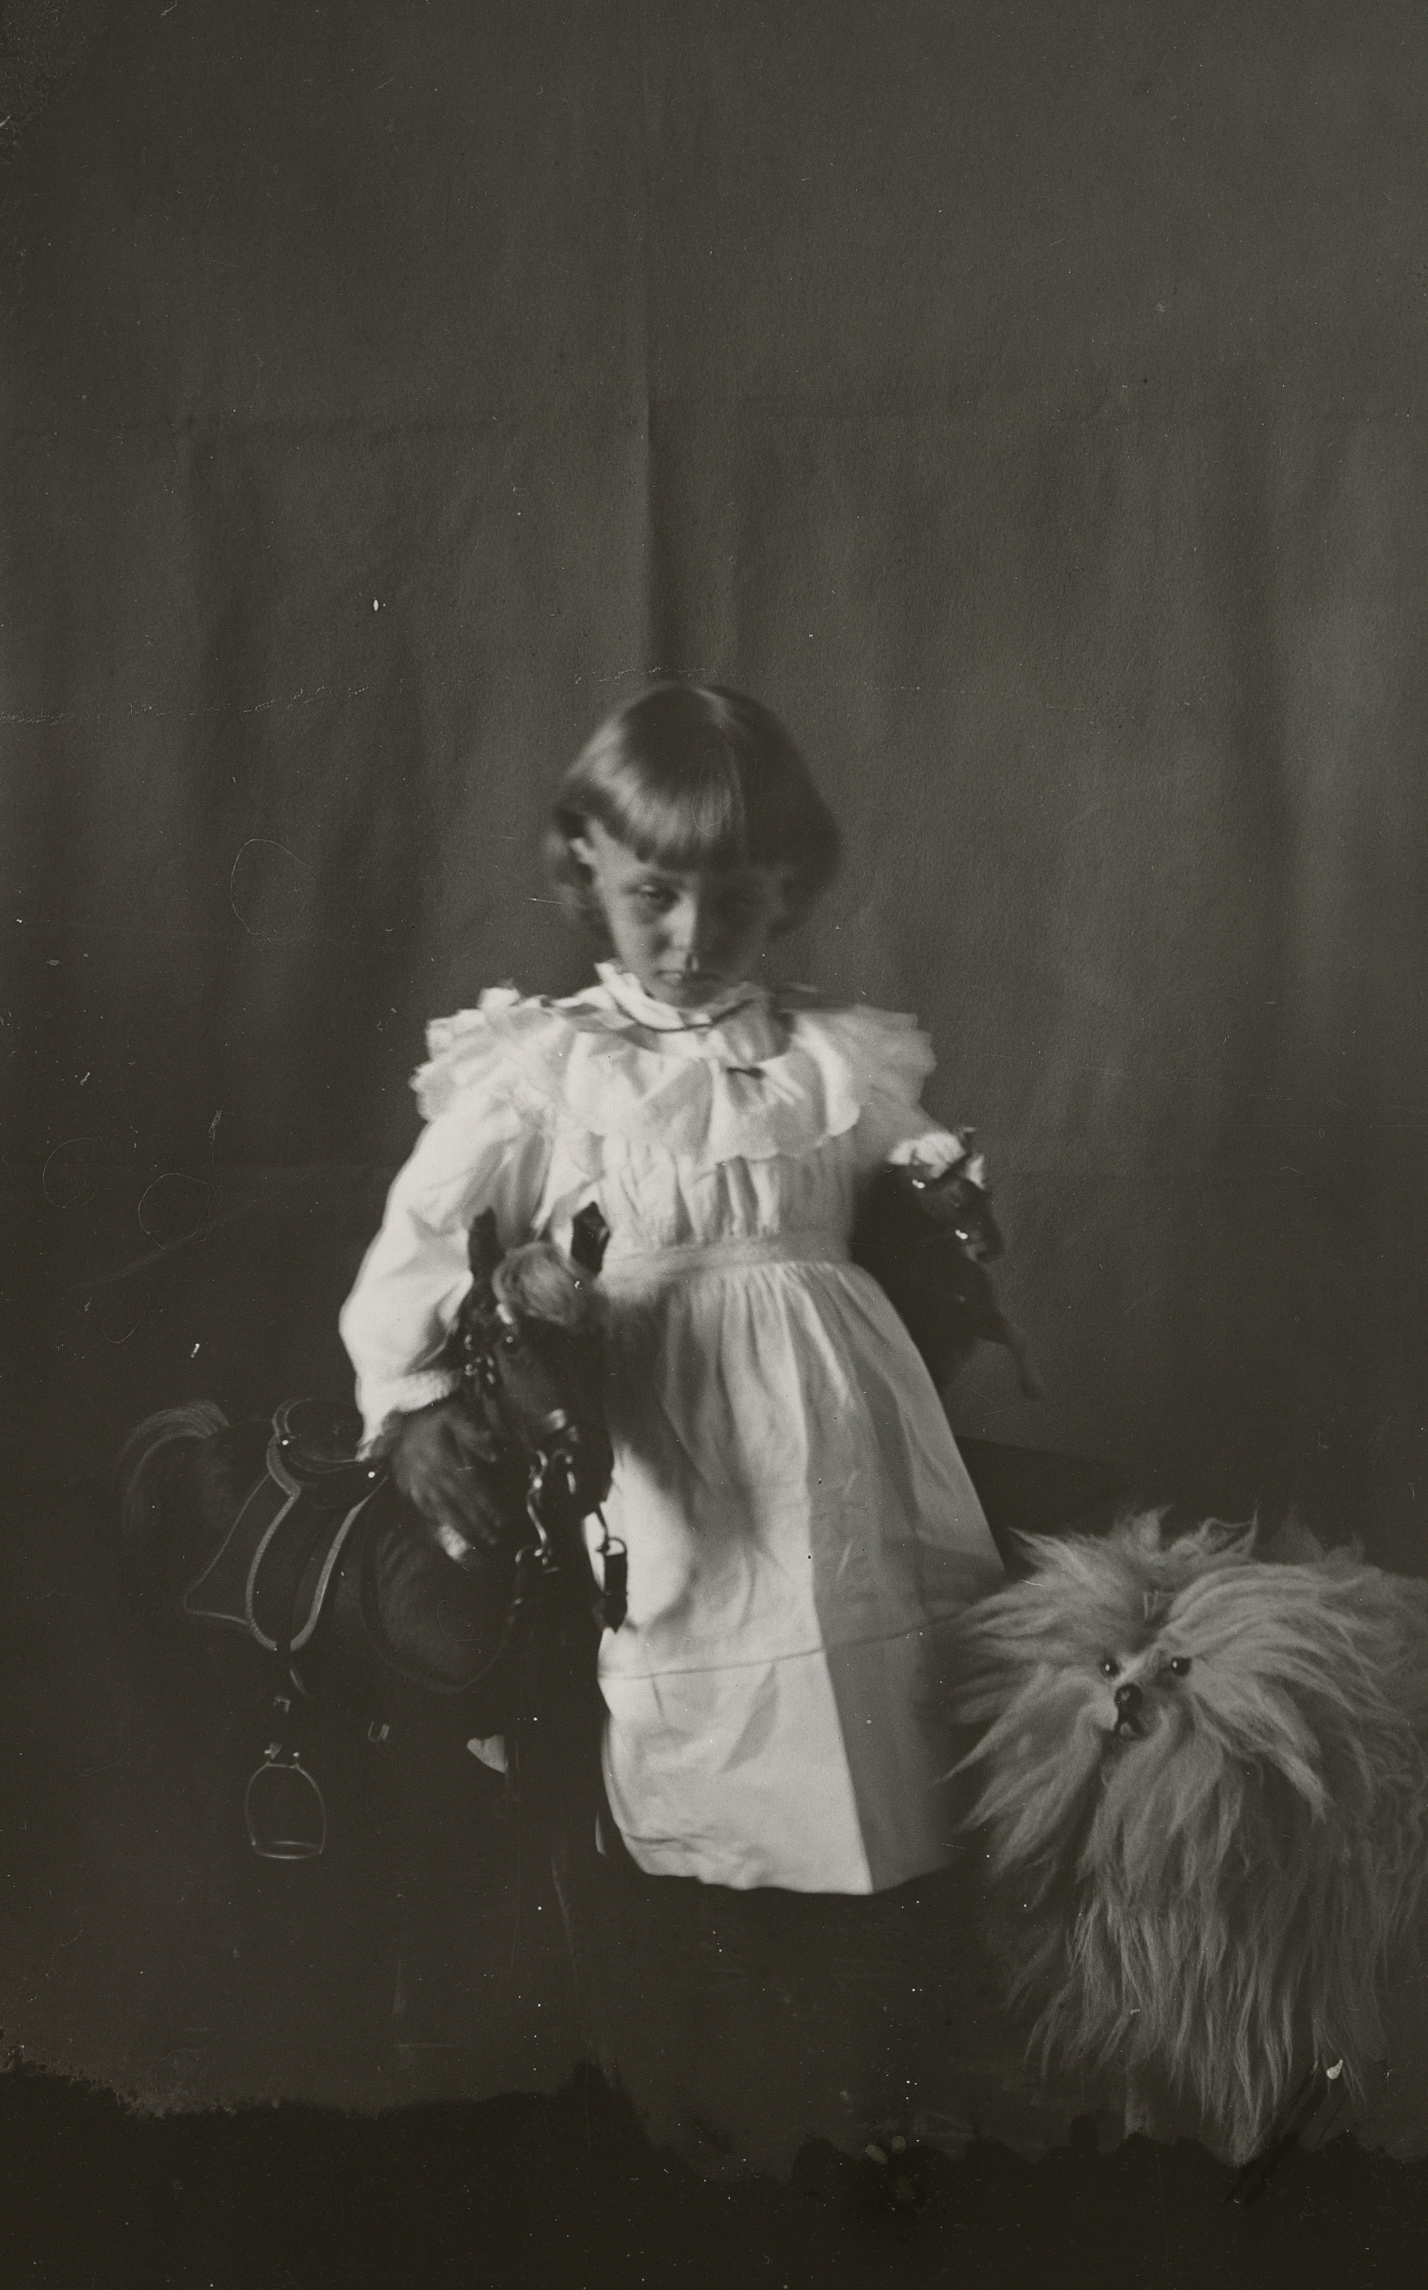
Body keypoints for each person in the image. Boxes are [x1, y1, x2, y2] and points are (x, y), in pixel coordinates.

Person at [338, 681, 1008, 1900]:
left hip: (844, 1430)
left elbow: (914, 1169)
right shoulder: (550, 1065)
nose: (694, 939)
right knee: (705, 1670)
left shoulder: (827, 1059)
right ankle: (708, 1903)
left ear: (789, 891)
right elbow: (421, 1234)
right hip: (665, 1429)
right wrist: (413, 1400)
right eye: (656, 895)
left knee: (868, 1667)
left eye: (735, 902)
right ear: (588, 866)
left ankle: (873, 1905)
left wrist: (947, 1197)